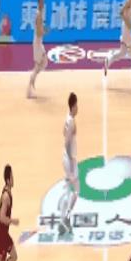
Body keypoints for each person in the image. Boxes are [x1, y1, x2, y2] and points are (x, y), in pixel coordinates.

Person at [104, 0, 131, 89]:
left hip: (126, 29)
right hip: (126, 29)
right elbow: (121, 12)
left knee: (122, 53)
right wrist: (128, 23)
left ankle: (108, 61)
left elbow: (129, 11)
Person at [59, 92, 79, 235]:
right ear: (73, 106)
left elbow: (63, 133)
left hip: (66, 158)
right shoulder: (71, 121)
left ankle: (64, 219)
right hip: (69, 159)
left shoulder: (67, 118)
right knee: (76, 190)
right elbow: (66, 142)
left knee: (68, 190)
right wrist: (71, 163)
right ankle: (66, 218)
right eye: (77, 105)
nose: (78, 108)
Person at [27, 0, 48, 98]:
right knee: (39, 65)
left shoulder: (41, 12)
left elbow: (39, 30)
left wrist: (43, 30)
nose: (42, 2)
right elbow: (39, 33)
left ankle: (32, 82)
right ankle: (29, 90)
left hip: (39, 42)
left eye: (43, 0)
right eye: (41, 1)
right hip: (37, 43)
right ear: (38, 1)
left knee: (43, 63)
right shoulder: (38, 14)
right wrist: (46, 31)